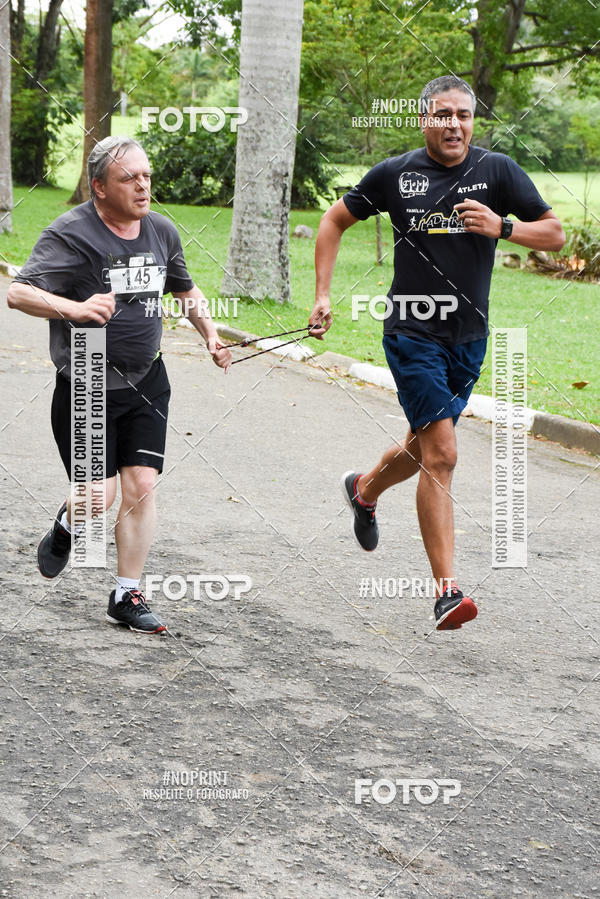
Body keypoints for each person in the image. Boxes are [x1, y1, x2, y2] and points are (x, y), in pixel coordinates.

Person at [308, 75, 565, 631]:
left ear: (473, 121)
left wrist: (505, 227)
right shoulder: (396, 175)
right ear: (424, 118)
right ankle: (446, 591)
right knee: (443, 452)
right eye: (443, 113)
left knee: (425, 448)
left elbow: (555, 234)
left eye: (464, 115)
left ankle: (364, 489)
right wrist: (324, 294)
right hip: (411, 330)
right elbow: (333, 220)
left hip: (469, 338)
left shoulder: (497, 172)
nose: (455, 124)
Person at [7, 136, 231, 634]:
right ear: (99, 187)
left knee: (141, 485)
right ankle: (69, 524)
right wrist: (76, 309)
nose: (143, 185)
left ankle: (126, 593)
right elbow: (17, 293)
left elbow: (184, 289)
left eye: (146, 175)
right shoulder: (71, 234)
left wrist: (211, 335)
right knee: (98, 495)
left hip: (147, 376)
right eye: (130, 178)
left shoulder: (160, 231)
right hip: (86, 374)